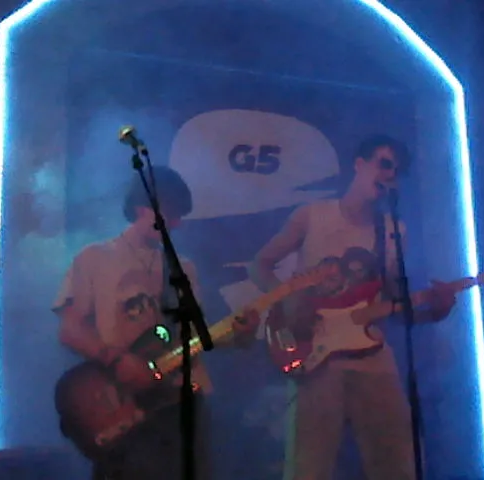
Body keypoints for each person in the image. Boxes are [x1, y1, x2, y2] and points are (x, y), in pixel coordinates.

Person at [248, 135, 457, 480]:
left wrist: (435, 310)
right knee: (309, 468)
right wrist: (288, 299)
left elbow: (394, 303)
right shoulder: (312, 215)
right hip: (317, 354)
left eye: (396, 171)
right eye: (384, 164)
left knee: (396, 465)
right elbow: (260, 265)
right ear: (359, 164)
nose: (390, 175)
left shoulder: (393, 231)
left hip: (373, 356)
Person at [53, 166, 259, 480]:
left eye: (179, 216)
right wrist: (116, 359)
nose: (176, 224)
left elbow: (195, 338)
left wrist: (238, 336)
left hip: (181, 402)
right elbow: (69, 330)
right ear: (142, 207)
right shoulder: (94, 258)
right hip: (126, 406)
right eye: (171, 214)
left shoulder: (183, 269)